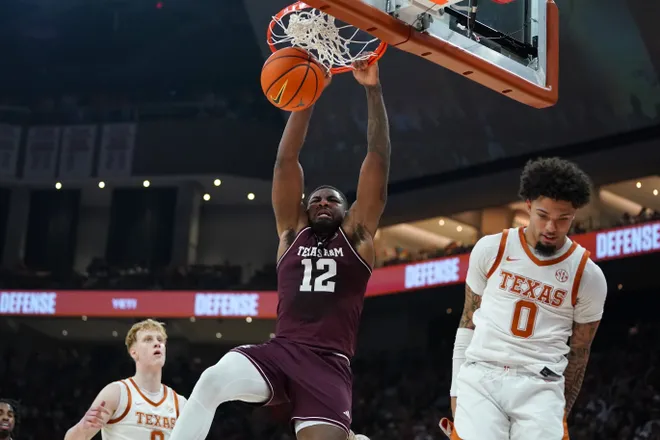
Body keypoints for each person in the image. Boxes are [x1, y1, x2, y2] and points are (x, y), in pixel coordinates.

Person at [169, 58, 390, 440]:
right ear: (305, 207)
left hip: (328, 363)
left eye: (332, 200)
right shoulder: (292, 233)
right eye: (316, 199)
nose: (323, 203)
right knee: (211, 381)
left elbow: (378, 159)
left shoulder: (357, 238)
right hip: (280, 352)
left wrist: (372, 89)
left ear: (345, 210)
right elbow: (286, 161)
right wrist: (307, 96)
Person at [440, 157, 608, 440]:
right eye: (543, 216)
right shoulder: (491, 249)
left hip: (541, 384)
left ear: (575, 214)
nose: (551, 228)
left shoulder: (588, 275)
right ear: (528, 205)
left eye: (562, 219)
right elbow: (467, 323)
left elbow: (580, 352)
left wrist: (560, 412)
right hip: (482, 376)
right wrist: (457, 391)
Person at [64, 319, 187, 440]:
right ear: (134, 352)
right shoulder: (116, 393)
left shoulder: (180, 403)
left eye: (160, 340)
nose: (157, 343)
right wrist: (81, 428)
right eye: (148, 339)